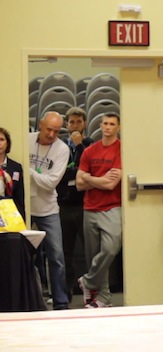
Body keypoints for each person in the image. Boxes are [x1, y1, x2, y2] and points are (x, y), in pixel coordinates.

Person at [75, 112, 122, 308]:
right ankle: (103, 299)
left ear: (118, 127)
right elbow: (78, 184)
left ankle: (87, 281)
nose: (108, 127)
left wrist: (89, 178)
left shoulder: (122, 150)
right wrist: (98, 180)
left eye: (112, 124)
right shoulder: (89, 151)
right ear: (100, 125)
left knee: (110, 249)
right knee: (93, 255)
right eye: (105, 123)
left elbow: (112, 185)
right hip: (90, 208)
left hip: (112, 206)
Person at [29, 112, 71, 310]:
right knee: (24, 255)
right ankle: (31, 300)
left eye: (56, 131)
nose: (52, 134)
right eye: (49, 129)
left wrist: (28, 172)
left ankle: (61, 302)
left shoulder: (62, 149)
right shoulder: (27, 140)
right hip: (25, 206)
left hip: (48, 208)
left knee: (57, 256)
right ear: (40, 125)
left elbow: (51, 182)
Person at [56, 107, 94, 301]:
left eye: (78, 122)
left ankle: (92, 290)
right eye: (71, 122)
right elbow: (61, 173)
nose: (74, 126)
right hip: (64, 205)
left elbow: (92, 168)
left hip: (83, 205)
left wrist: (79, 147)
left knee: (89, 249)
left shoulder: (89, 145)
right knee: (65, 251)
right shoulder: (61, 146)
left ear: (84, 124)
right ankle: (66, 292)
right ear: (66, 124)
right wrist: (77, 172)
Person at [0, 128, 25, 221]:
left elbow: (20, 196)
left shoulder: (16, 167)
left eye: (2, 140)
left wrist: (22, 220)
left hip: (11, 215)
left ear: (7, 143)